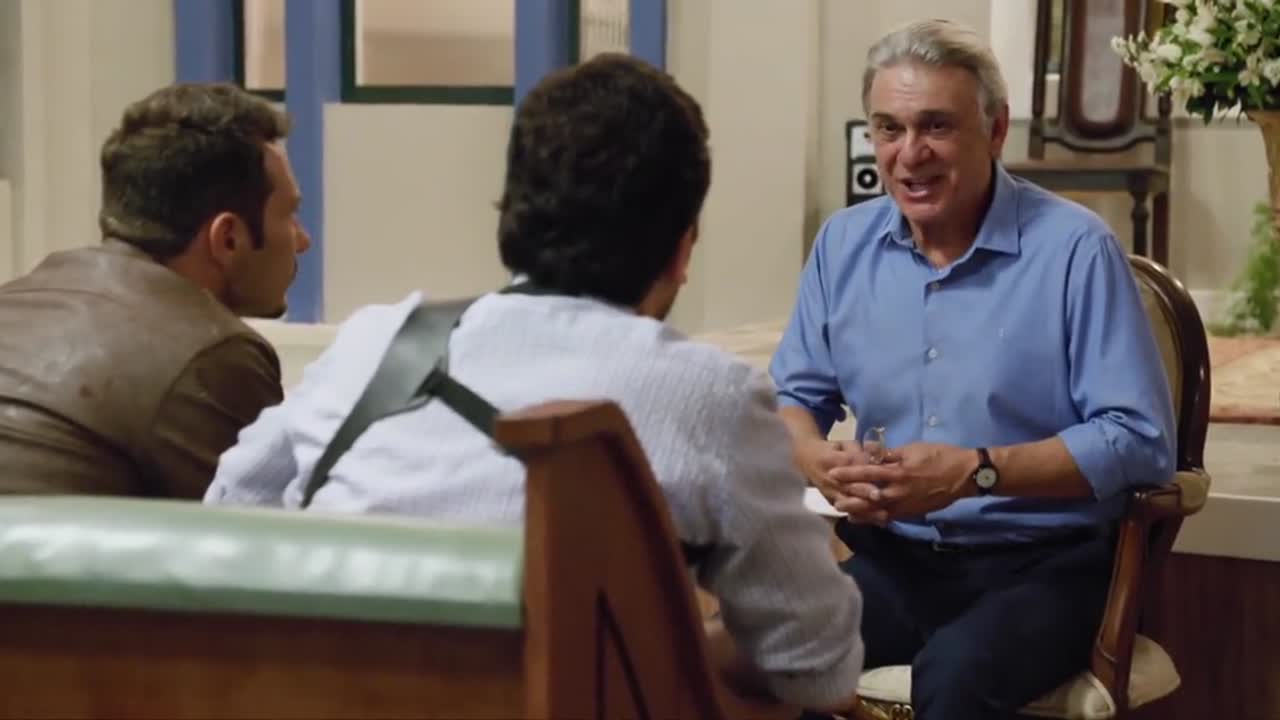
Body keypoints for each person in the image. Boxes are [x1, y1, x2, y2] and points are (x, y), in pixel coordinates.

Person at [205, 53, 864, 713]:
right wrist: (681, 642)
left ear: (511, 215)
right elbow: (820, 665)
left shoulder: (373, 342)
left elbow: (225, 521)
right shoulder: (709, 397)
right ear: (682, 249)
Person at [770, 19, 1175, 720]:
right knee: (766, 652)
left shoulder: (1077, 249)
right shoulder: (842, 245)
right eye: (889, 129)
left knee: (954, 677)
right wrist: (814, 459)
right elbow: (791, 397)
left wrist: (976, 471)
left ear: (995, 130)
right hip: (895, 560)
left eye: (936, 126)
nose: (909, 154)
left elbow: (1140, 440)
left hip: (1048, 563)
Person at [0, 83, 310, 498]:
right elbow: (261, 525)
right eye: (289, 215)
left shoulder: (16, 300)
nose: (302, 240)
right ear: (228, 238)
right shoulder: (212, 354)